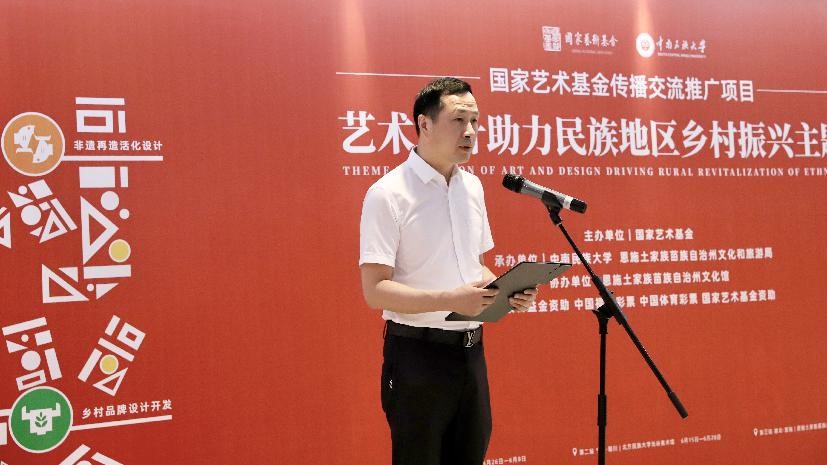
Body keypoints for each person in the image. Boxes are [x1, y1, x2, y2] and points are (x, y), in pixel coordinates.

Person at [359, 77, 538, 465]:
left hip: (471, 354)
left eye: (475, 121)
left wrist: (505, 290)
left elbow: (475, 266)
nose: (470, 132)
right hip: (417, 356)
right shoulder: (388, 193)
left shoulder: (471, 187)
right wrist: (450, 300)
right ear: (424, 124)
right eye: (459, 120)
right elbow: (375, 290)